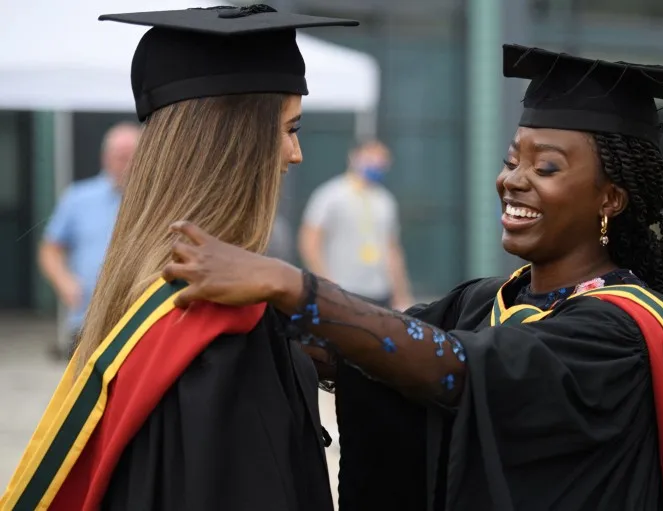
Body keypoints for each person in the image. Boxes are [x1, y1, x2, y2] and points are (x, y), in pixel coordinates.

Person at [155, 44, 663, 510]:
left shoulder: (618, 331)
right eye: (511, 160)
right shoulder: (487, 300)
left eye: (545, 166)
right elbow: (371, 354)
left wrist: (293, 286)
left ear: (610, 197)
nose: (513, 179)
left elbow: (454, 369)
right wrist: (231, 323)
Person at [1, 5, 358, 511]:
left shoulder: (140, 300)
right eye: (289, 128)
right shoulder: (221, 330)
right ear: (236, 145)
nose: (294, 153)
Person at [39, 122, 141, 359]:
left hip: (138, 318)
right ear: (105, 157)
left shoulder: (157, 199)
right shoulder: (78, 197)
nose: (124, 164)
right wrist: (64, 281)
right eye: (119, 156)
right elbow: (50, 249)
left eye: (131, 157)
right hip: (87, 319)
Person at [298, 139, 413, 310]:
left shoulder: (385, 200)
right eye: (371, 157)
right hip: (343, 290)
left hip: (380, 292)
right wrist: (326, 284)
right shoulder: (330, 195)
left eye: (382, 160)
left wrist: (402, 294)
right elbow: (309, 241)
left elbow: (392, 249)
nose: (376, 163)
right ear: (354, 157)